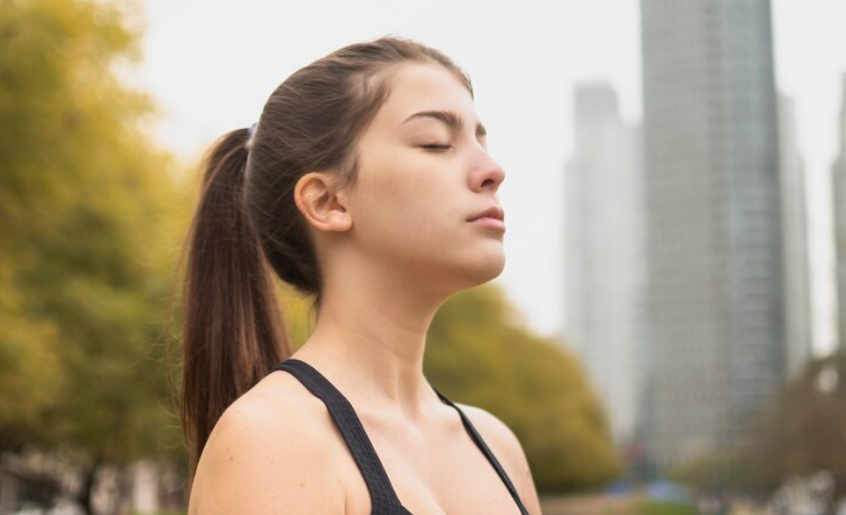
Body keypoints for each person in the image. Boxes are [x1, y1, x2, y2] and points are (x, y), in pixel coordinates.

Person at [179, 35, 542, 515]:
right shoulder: (272, 440)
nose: (492, 170)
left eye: (481, 140)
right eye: (437, 143)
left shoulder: (498, 448)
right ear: (327, 201)